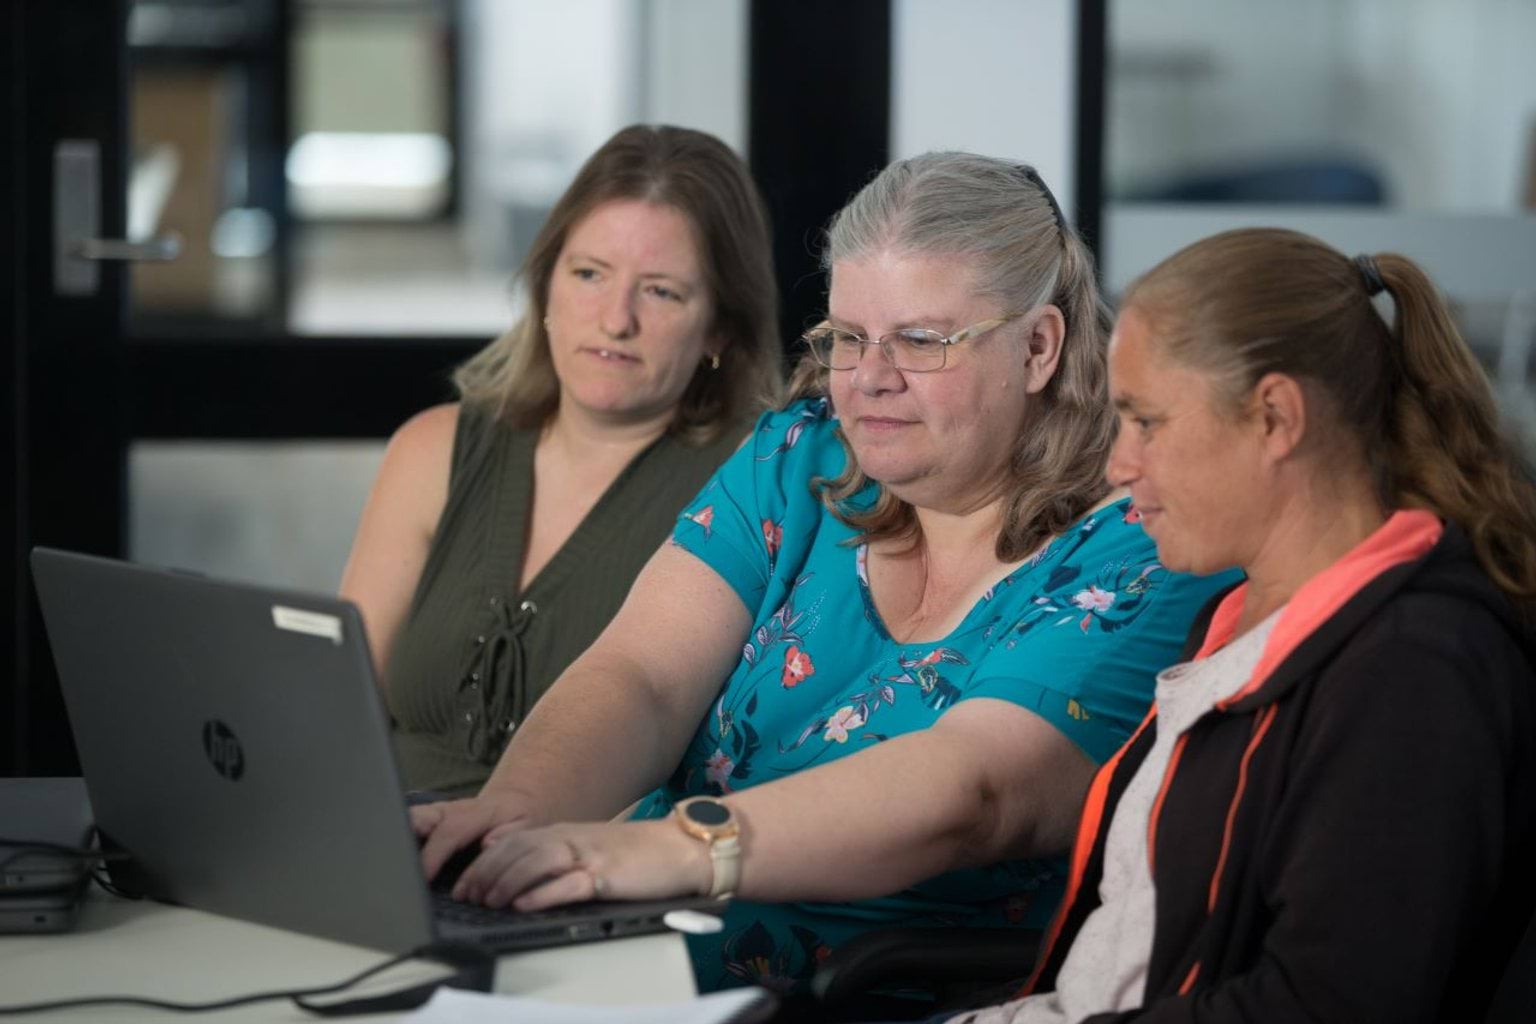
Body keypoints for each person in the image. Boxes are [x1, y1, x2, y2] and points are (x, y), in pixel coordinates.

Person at [412, 153, 1239, 994]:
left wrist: (667, 848)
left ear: (1037, 347)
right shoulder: (802, 452)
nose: (870, 380)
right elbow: (644, 675)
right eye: (849, 338)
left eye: (921, 340)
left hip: (858, 995)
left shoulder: (1143, 550)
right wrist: (511, 820)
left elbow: (974, 791)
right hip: (633, 954)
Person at [958, 228, 1536, 1024]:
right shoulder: (1233, 616)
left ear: (1274, 418)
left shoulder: (1413, 674)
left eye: (1146, 421)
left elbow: (1330, 1004)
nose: (1118, 465)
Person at [340, 124, 782, 797]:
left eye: (661, 291)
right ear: (546, 288)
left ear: (719, 327)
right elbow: (337, 704)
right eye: (589, 275)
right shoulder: (432, 450)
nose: (615, 320)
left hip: (580, 873)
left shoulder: (751, 488)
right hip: (381, 848)